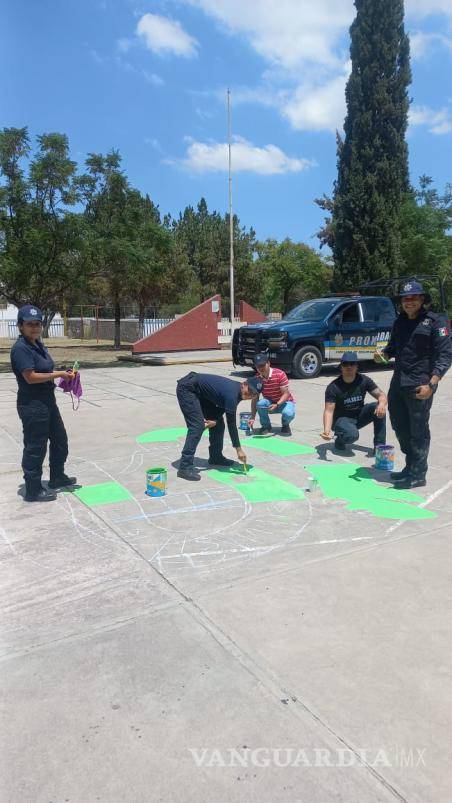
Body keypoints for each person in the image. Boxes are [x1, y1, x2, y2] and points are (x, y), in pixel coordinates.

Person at [374, 279, 452, 488]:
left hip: (420, 385)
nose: (409, 302)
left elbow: (445, 356)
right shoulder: (399, 322)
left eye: (414, 298)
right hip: (398, 383)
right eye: (405, 299)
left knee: (418, 431)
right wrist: (383, 354)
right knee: (400, 427)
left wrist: (431, 385)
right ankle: (410, 467)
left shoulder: (436, 322)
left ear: (422, 299)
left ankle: (418, 474)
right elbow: (392, 348)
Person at [10, 305, 77, 502]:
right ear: (20, 326)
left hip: (47, 401)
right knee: (35, 446)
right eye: (29, 324)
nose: (34, 328)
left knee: (60, 440)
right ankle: (33, 489)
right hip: (32, 403)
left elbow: (45, 369)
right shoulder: (21, 348)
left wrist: (64, 374)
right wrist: (58, 374)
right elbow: (30, 377)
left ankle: (57, 477)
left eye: (37, 324)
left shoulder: (38, 344)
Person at [176, 371, 262, 481]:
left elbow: (222, 405)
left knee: (219, 424)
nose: (249, 395)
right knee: (197, 426)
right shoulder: (232, 394)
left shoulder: (238, 393)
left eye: (253, 394)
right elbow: (231, 424)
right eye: (249, 391)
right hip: (187, 388)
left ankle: (216, 457)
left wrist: (215, 420)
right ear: (244, 384)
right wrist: (238, 449)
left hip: (201, 392)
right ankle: (184, 467)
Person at [321, 352, 387, 453]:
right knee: (352, 435)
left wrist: (382, 404)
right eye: (345, 364)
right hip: (341, 420)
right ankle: (339, 439)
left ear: (357, 366)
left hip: (358, 415)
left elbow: (381, 395)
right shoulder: (333, 387)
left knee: (378, 407)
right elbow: (328, 411)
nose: (349, 367)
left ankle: (380, 447)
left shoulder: (364, 380)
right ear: (341, 367)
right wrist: (326, 431)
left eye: (352, 364)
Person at [249, 353, 296, 436]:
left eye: (262, 365)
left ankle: (285, 424)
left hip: (285, 402)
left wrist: (277, 404)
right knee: (260, 404)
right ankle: (266, 426)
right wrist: (252, 417)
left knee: (288, 413)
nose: (260, 368)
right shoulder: (257, 379)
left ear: (268, 363)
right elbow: (254, 399)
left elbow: (286, 394)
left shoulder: (280, 374)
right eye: (258, 366)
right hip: (270, 403)